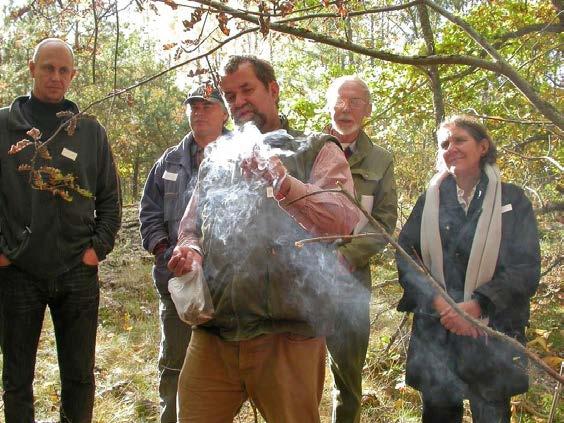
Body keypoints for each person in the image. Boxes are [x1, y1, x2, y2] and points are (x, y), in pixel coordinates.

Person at [167, 55, 359, 423]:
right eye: (229, 95)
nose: (238, 102)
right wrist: (189, 250)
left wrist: (284, 184)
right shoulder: (217, 158)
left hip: (287, 337)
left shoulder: (317, 148)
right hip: (216, 333)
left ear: (273, 90)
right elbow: (191, 226)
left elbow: (342, 220)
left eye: (246, 90)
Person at [0, 38, 121, 422]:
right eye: (48, 68)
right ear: (32, 68)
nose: (56, 76)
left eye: (63, 70)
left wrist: (96, 250)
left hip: (77, 274)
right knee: (17, 379)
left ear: (72, 75)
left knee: (80, 377)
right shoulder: (4, 126)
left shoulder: (89, 131)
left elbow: (109, 198)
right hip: (17, 272)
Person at [396, 115, 540, 422]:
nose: (451, 149)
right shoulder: (430, 200)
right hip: (438, 332)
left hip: (491, 332)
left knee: (491, 414)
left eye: (460, 140)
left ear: (483, 146)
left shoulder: (512, 200)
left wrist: (477, 305)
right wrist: (439, 304)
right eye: (445, 144)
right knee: (438, 413)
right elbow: (406, 256)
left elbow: (525, 267)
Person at [139, 84, 229, 423]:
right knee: (174, 362)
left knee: (224, 373)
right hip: (177, 286)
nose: (199, 111)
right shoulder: (170, 160)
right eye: (193, 105)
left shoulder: (244, 155)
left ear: (225, 113)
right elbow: (148, 214)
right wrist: (166, 253)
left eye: (207, 105)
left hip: (227, 287)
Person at [324, 76, 397, 423]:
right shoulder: (306, 149)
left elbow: (384, 221)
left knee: (348, 374)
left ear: (367, 110)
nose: (346, 109)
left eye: (355, 102)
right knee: (295, 372)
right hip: (298, 275)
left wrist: (348, 256)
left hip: (351, 280)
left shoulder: (381, 160)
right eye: (340, 100)